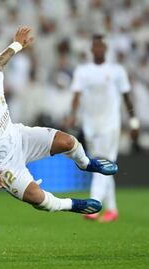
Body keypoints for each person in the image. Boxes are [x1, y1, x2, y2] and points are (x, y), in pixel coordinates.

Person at [0, 26, 118, 216]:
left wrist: (17, 44)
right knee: (38, 199)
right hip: (3, 165)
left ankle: (85, 164)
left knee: (68, 142)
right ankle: (72, 204)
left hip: (19, 137)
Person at [69, 35, 139, 222]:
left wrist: (133, 122)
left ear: (106, 49)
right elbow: (76, 95)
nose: (98, 49)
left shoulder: (116, 70)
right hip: (91, 125)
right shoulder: (83, 71)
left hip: (111, 124)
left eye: (101, 46)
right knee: (100, 166)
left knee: (104, 162)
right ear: (92, 49)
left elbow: (126, 97)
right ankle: (112, 209)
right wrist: (73, 115)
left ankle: (93, 205)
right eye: (96, 46)